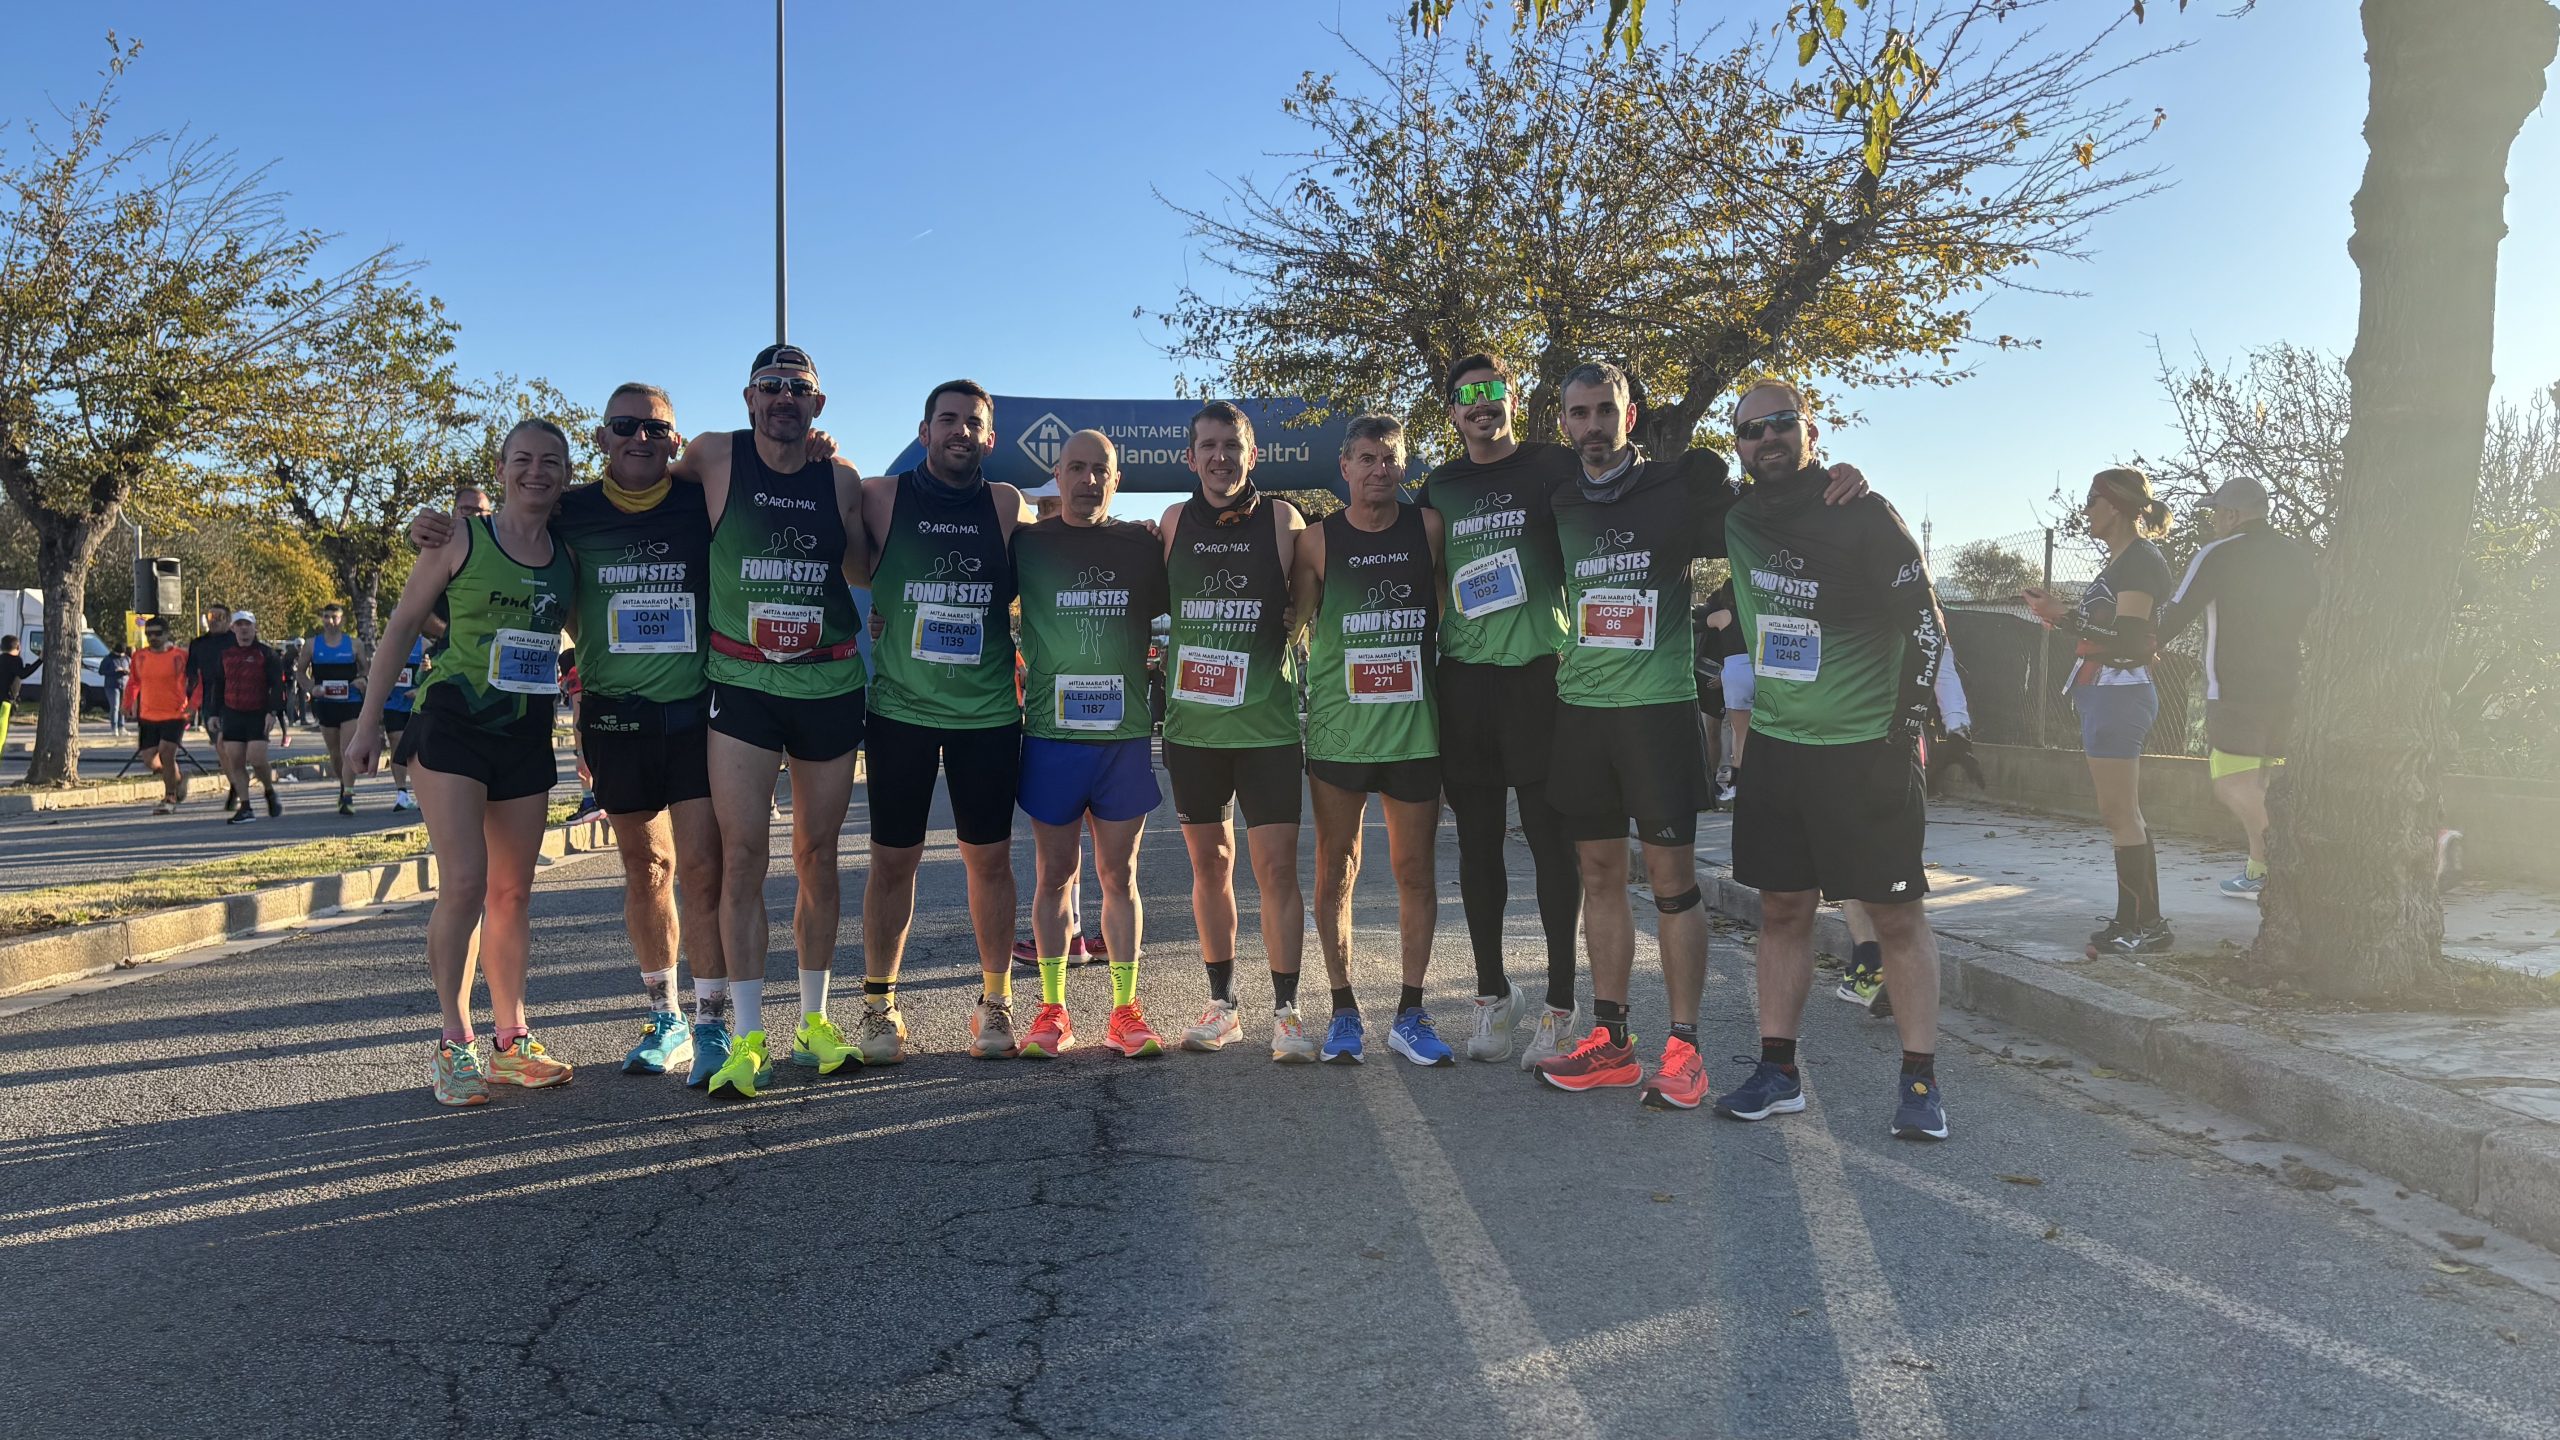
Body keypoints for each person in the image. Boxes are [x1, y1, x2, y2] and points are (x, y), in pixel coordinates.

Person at [1532, 364, 1867, 1110]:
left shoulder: (1678, 487)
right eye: (1579, 413)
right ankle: (1613, 1041)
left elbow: (1769, 504)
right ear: (1564, 423)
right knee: (1598, 877)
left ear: (1630, 416)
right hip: (1581, 710)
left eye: (1605, 410)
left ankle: (1685, 1051)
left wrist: (1834, 476)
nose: (1592, 425)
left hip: (1656, 711)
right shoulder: (1557, 496)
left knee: (1673, 885)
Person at [1706, 381, 1951, 1139]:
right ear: (1738, 446)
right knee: (1783, 911)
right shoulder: (1739, 518)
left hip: (1866, 750)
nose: (1767, 438)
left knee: (1896, 918)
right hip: (1779, 751)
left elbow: (1929, 632)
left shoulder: (1863, 512)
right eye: (1751, 430)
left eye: (1782, 423)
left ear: (1809, 430)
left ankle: (1920, 1082)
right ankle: (1777, 1072)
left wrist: (1902, 740)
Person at [346, 419, 578, 1107]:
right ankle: (455, 1044)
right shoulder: (459, 538)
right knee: (466, 882)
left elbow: (579, 645)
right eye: (522, 460)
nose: (535, 472)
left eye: (551, 462)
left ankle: (512, 1041)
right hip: (451, 722)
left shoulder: (569, 555)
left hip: (524, 729)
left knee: (513, 893)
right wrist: (367, 723)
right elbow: (400, 625)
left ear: (566, 475)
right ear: (500, 470)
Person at [674, 344, 870, 1096]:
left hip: (828, 682)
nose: (784, 397)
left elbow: (863, 567)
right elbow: (637, 489)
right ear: (749, 398)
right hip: (742, 683)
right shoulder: (713, 456)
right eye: (771, 386)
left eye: (799, 388)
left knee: (818, 853)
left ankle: (813, 1022)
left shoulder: (840, 478)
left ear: (818, 404)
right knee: (744, 854)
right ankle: (748, 1034)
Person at [857, 379, 1034, 1062]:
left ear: (990, 438)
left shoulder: (1005, 503)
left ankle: (996, 1003)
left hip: (985, 714)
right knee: (891, 862)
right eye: (948, 419)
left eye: (973, 423)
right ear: (924, 430)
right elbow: (840, 552)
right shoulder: (880, 497)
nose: (961, 431)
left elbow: (1053, 562)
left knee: (988, 860)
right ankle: (879, 1008)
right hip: (900, 710)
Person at [1417, 355, 1586, 1067]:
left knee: (1551, 842)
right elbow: (1416, 572)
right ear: (1452, 413)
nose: (1481, 406)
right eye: (1467, 397)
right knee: (1478, 844)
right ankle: (1491, 993)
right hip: (1466, 682)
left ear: (1512, 398)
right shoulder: (1440, 485)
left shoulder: (1554, 464)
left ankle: (1560, 1003)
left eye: (1492, 392)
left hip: (1541, 677)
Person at [1157, 402, 1316, 1060]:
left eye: (1232, 445)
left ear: (1253, 455)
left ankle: (1287, 1011)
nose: (1220, 457)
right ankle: (1222, 1006)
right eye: (1208, 446)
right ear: (1190, 457)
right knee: (1211, 865)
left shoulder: (1283, 520)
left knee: (1275, 868)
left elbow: (1309, 600)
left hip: (1266, 727)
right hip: (1192, 730)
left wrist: (1297, 625)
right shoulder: (1172, 521)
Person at [1295, 414, 1452, 1067]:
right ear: (1345, 468)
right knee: (1337, 869)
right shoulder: (1316, 541)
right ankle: (1343, 1010)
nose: (1379, 470)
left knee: (1415, 871)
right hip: (1340, 733)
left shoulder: (1429, 528)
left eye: (1390, 458)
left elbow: (1448, 612)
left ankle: (1410, 1013)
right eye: (1366, 459)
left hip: (1415, 732)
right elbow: (1290, 626)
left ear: (1404, 464)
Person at [1010, 429, 1171, 1060]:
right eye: (1076, 468)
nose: (1088, 480)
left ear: (1116, 479)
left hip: (1122, 739)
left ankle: (1125, 1010)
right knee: (1055, 875)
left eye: (1100, 469)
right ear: (1058, 475)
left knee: (1119, 874)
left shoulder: (1141, 545)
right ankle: (1052, 1010)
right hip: (1053, 739)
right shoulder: (1028, 544)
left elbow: (1202, 592)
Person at [2024, 466, 2176, 957]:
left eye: (2091, 500)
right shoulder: (2124, 561)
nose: (2085, 510)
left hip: (2119, 693)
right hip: (2106, 692)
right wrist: (2064, 617)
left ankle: (2140, 926)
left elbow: (2129, 638)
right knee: (2124, 814)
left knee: (2119, 814)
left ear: (2114, 505)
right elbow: (2117, 631)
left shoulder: (2139, 560)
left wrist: (2063, 615)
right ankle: (2143, 923)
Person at [2155, 475, 2317, 901]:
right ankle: (2259, 870)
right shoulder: (2296, 555)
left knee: (2230, 783)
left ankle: (2281, 868)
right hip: (2287, 685)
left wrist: (2138, 648)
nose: (2213, 522)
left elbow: (2176, 612)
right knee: (2262, 783)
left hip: (2235, 689)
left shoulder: (2220, 554)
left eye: (2215, 513)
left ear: (2230, 515)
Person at [213, 611, 289, 825]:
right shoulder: (226, 654)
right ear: (233, 628)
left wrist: (272, 712)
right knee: (236, 760)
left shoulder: (266, 653)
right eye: (239, 625)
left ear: (255, 628)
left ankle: (269, 791)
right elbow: (218, 684)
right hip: (232, 713)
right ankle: (245, 806)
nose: (244, 629)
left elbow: (277, 685)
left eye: (247, 625)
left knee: (257, 759)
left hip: (258, 713)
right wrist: (213, 713)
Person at [296, 602, 370, 816]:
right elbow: (300, 673)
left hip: (350, 702)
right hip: (325, 704)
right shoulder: (312, 645)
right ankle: (343, 784)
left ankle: (348, 794)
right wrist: (312, 688)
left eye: (334, 617)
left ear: (342, 620)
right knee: (335, 754)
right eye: (326, 617)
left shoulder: (354, 644)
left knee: (348, 751)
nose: (330, 621)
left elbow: (366, 669)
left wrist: (362, 680)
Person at [126, 619, 194, 813]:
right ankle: (178, 779)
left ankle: (169, 798)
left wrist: (194, 705)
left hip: (175, 713)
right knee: (149, 759)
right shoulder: (140, 656)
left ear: (167, 634)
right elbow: (134, 682)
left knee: (166, 752)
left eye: (157, 633)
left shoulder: (181, 656)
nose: (153, 637)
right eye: (149, 634)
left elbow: (196, 681)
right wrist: (128, 702)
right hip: (148, 714)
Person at [1700, 578, 1752, 804]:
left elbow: (1698, 623)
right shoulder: (1753, 614)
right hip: (1756, 669)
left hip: (1735, 671)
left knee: (1738, 733)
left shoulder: (1723, 615)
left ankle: (1735, 783)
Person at [185, 605, 235, 799]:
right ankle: (236, 785)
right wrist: (189, 703)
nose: (214, 620)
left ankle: (238, 780)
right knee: (221, 747)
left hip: (236, 696)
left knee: (229, 744)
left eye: (219, 617)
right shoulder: (198, 644)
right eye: (210, 616)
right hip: (210, 699)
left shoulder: (236, 640)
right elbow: (191, 676)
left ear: (228, 620)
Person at [381, 634, 428, 811]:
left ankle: (422, 793)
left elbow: (436, 673)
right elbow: (379, 672)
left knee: (418, 749)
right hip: (393, 703)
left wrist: (420, 689)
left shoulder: (425, 645)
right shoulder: (389, 641)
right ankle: (401, 792)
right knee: (397, 742)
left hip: (416, 705)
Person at [0, 635, 26, 761]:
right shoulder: (16, 660)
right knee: (1, 736)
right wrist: (40, 660)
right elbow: (23, 674)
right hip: (5, 703)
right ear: (18, 647)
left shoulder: (1, 659)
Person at [100, 643, 130, 739]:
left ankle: (122, 727)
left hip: (124, 685)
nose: (121, 655)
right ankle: (114, 728)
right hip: (112, 686)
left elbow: (132, 670)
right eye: (119, 654)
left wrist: (126, 671)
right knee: (115, 707)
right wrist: (114, 671)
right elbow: (101, 671)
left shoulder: (127, 659)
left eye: (122, 654)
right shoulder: (108, 659)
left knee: (122, 706)